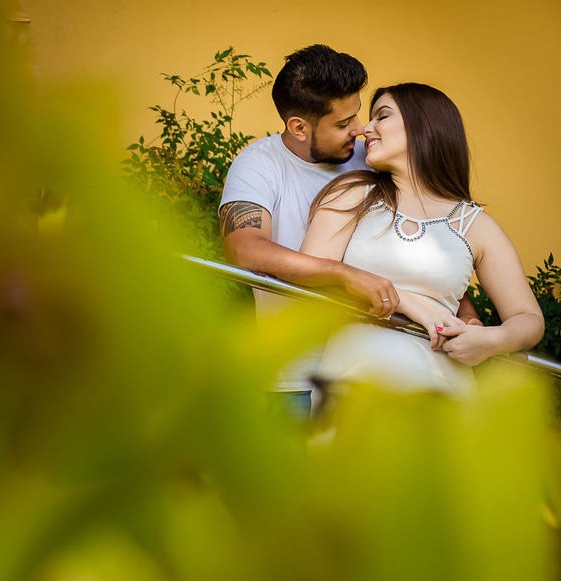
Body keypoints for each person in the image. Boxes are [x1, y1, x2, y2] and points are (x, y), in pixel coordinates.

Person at [218, 45, 480, 417]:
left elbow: (427, 237)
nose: (359, 130)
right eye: (343, 124)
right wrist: (346, 274)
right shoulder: (258, 165)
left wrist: (464, 311)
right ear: (298, 127)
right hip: (294, 377)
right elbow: (245, 250)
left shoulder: (371, 157)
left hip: (371, 369)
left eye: (356, 115)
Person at [300, 83, 543, 394]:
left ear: (422, 124)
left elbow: (529, 318)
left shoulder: (475, 224)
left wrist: (491, 341)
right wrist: (405, 302)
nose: (365, 129)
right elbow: (307, 279)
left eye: (381, 116)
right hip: (352, 392)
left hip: (445, 398)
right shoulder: (353, 194)